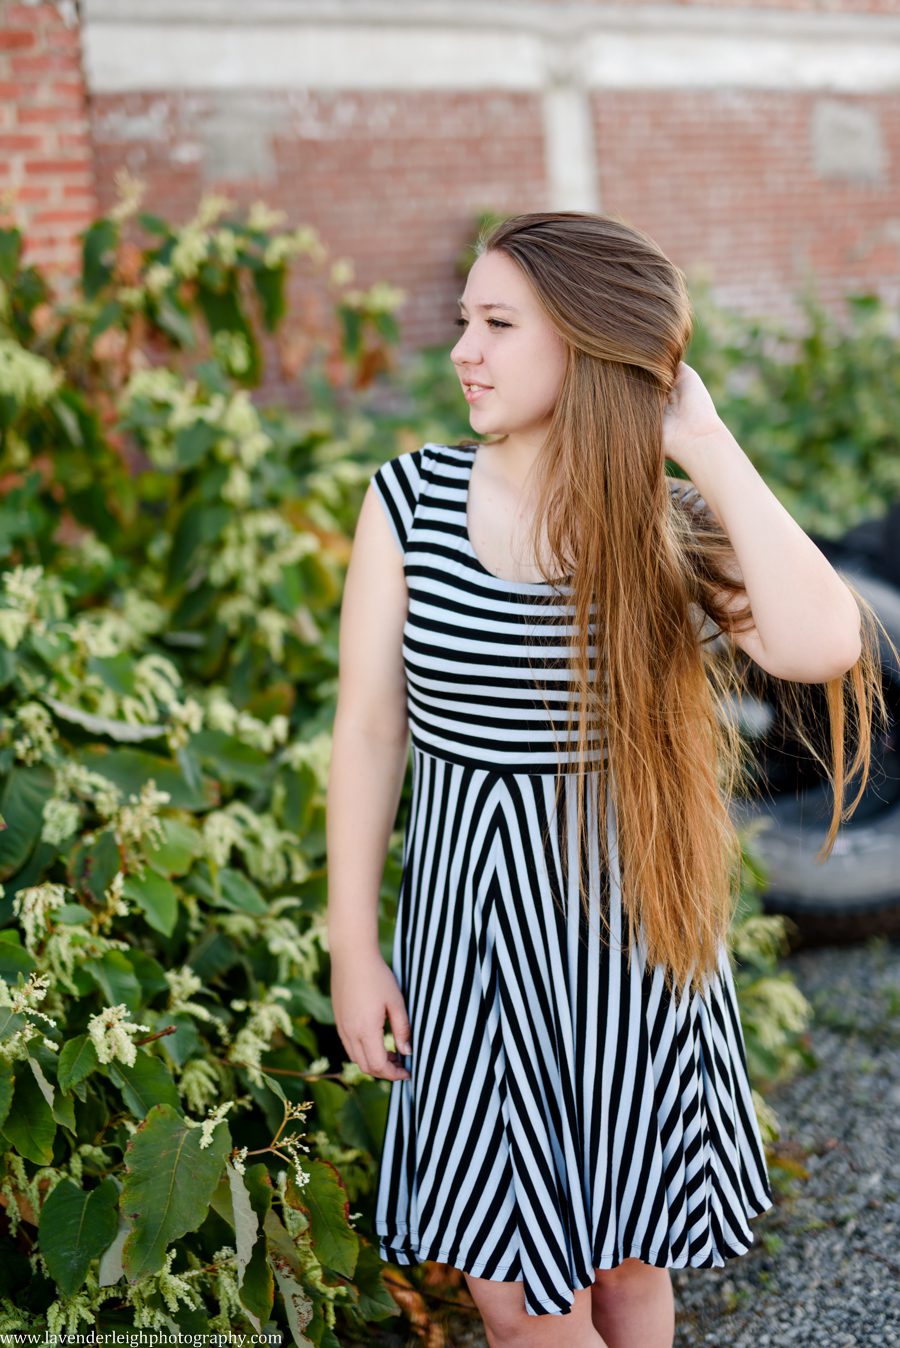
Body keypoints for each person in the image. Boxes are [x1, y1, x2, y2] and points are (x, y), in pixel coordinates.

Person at [326, 211, 888, 1348]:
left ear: (585, 344)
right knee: (521, 1297)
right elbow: (371, 727)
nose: (460, 351)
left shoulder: (660, 522)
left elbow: (826, 644)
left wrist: (709, 446)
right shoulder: (409, 502)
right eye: (462, 322)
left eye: (496, 324)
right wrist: (351, 942)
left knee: (631, 1274)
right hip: (472, 953)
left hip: (634, 949)